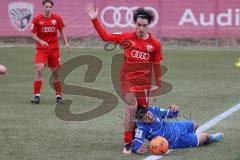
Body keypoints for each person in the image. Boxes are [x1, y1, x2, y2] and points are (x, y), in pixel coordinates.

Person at [86, 4, 162, 154]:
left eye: (144, 25)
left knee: (143, 115)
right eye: (139, 25)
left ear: (149, 25)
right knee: (132, 107)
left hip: (142, 85)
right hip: (127, 80)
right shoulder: (126, 37)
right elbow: (105, 37)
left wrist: (157, 86)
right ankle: (127, 143)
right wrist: (95, 20)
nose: (141, 28)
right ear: (135, 23)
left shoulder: (154, 44)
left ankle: (135, 138)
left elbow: (157, 66)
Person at [132, 105, 224, 154]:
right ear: (141, 120)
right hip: (177, 141)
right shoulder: (141, 128)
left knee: (195, 124)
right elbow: (137, 143)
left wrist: (175, 109)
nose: (149, 117)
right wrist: (136, 149)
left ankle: (194, 137)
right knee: (206, 137)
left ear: (147, 109)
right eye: (145, 118)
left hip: (176, 126)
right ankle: (213, 137)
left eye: (148, 113)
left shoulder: (153, 109)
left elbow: (173, 114)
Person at [30, 0, 71, 104]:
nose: (48, 9)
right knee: (39, 69)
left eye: (50, 7)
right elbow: (33, 34)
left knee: (56, 72)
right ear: (42, 7)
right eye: (46, 6)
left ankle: (58, 96)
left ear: (52, 8)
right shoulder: (36, 19)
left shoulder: (57, 18)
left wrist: (66, 43)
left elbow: (62, 30)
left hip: (54, 49)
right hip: (41, 49)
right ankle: (36, 96)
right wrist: (41, 41)